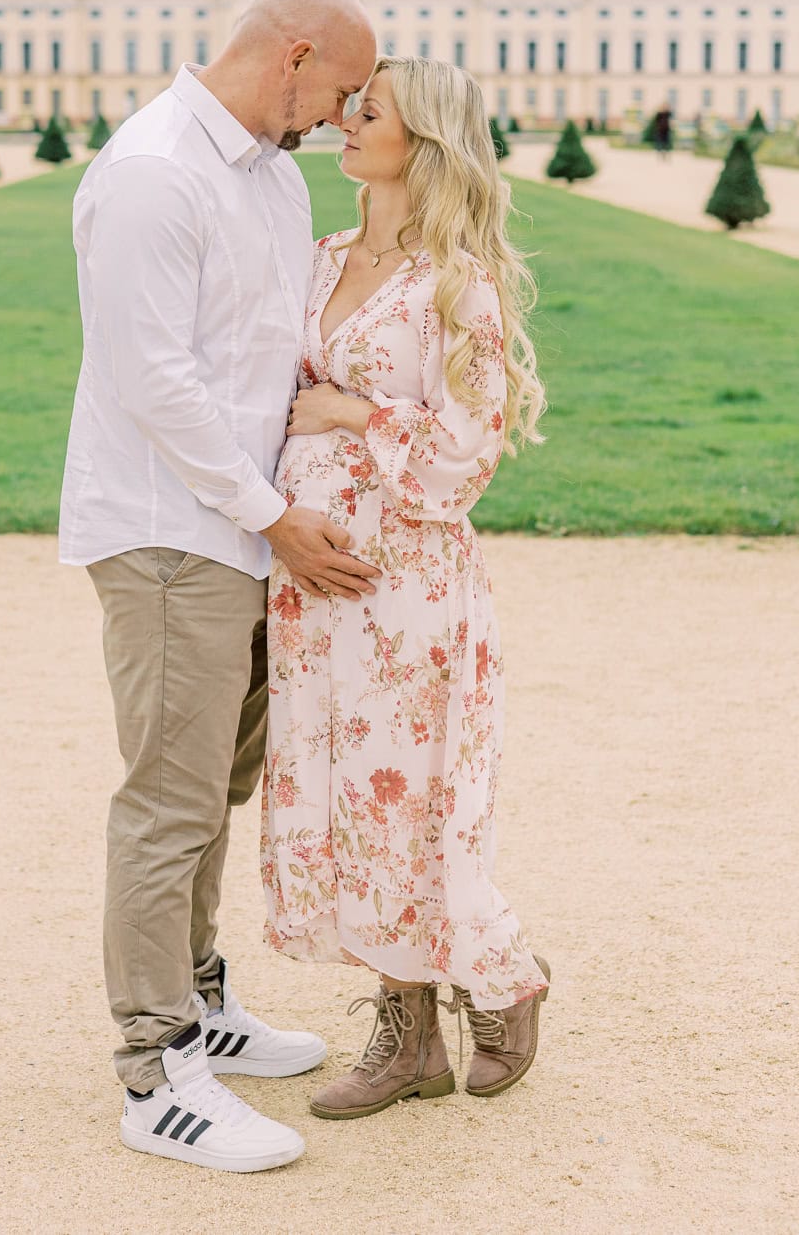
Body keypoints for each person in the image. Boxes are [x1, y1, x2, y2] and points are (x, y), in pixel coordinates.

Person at [59, 0, 379, 1174]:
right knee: (169, 798)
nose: (344, 118)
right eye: (342, 90)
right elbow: (155, 382)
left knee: (215, 791)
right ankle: (155, 1073)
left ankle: (197, 1002)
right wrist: (275, 515)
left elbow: (267, 358)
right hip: (167, 535)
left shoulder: (274, 176)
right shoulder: (153, 173)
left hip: (245, 531)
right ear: (293, 54)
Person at [262, 55, 551, 1120]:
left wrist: (350, 416)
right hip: (310, 578)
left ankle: (500, 979)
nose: (345, 120)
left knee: (407, 802)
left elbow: (464, 460)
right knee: (347, 800)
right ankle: (412, 1034)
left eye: (366, 111)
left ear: (419, 140)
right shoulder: (324, 253)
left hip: (405, 587)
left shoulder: (455, 282)